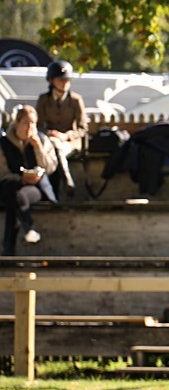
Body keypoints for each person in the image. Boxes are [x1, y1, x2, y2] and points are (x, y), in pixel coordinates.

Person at [2, 105, 61, 253]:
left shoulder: (42, 140)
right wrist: (21, 178)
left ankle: (9, 248)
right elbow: (2, 172)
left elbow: (50, 168)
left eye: (33, 123)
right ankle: (28, 230)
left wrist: (38, 149)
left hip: (36, 188)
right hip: (11, 186)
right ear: (17, 123)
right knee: (12, 192)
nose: (29, 128)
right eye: (25, 123)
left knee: (15, 199)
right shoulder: (4, 143)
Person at [35, 59, 86, 195]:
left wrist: (66, 135)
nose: (65, 83)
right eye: (61, 80)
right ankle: (64, 182)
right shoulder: (44, 99)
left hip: (70, 142)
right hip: (50, 140)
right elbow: (37, 125)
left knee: (57, 149)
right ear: (52, 81)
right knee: (53, 146)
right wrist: (48, 133)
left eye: (67, 80)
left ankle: (66, 182)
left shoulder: (76, 100)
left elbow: (82, 128)